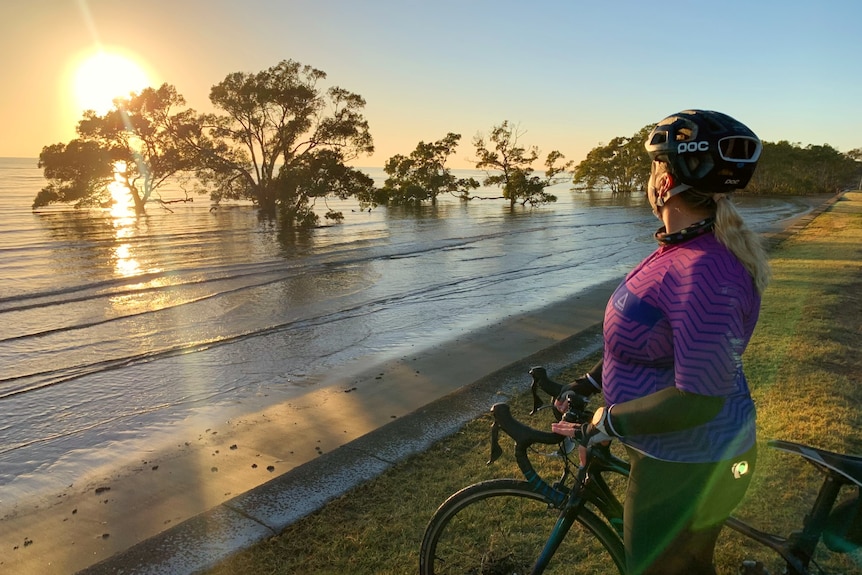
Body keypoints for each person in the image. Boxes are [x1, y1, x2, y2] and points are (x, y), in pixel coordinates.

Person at [551, 109, 770, 575]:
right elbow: (647, 340)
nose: (650, 180)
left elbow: (698, 400)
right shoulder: (680, 250)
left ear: (666, 180)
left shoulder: (707, 272)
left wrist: (608, 421)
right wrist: (590, 382)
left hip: (688, 461)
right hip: (673, 457)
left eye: (653, 168)